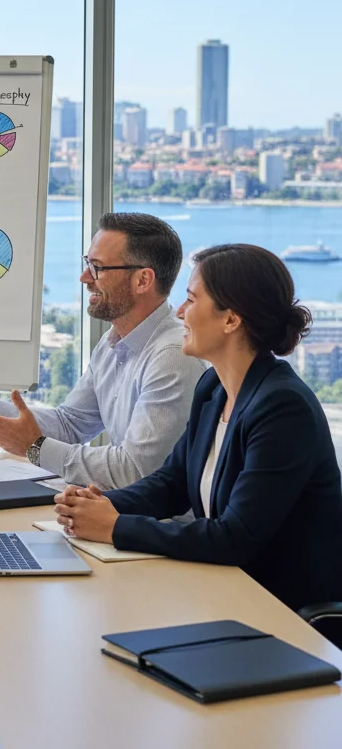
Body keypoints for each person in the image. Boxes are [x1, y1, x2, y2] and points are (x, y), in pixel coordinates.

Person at [54, 244, 342, 612]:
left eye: (191, 300)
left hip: (280, 613)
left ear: (230, 320)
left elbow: (235, 537)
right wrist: (97, 505)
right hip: (220, 592)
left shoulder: (283, 409)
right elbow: (171, 484)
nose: (179, 312)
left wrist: (114, 527)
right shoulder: (214, 389)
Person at [0, 213, 207, 489]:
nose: (84, 277)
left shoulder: (172, 355)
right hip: (122, 517)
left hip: (155, 533)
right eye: (87, 263)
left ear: (143, 280)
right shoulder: (113, 342)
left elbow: (135, 470)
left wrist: (35, 448)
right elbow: (71, 424)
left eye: (98, 267)